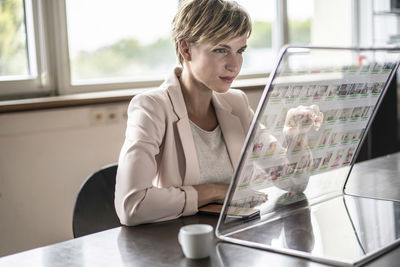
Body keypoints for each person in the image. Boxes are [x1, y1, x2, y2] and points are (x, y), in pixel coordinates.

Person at [114, 0, 253, 226]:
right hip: (177, 243)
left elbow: (286, 180)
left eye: (240, 51)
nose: (235, 65)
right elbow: (131, 205)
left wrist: (298, 136)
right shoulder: (151, 107)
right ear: (186, 49)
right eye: (221, 50)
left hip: (235, 239)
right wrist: (215, 192)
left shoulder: (236, 102)